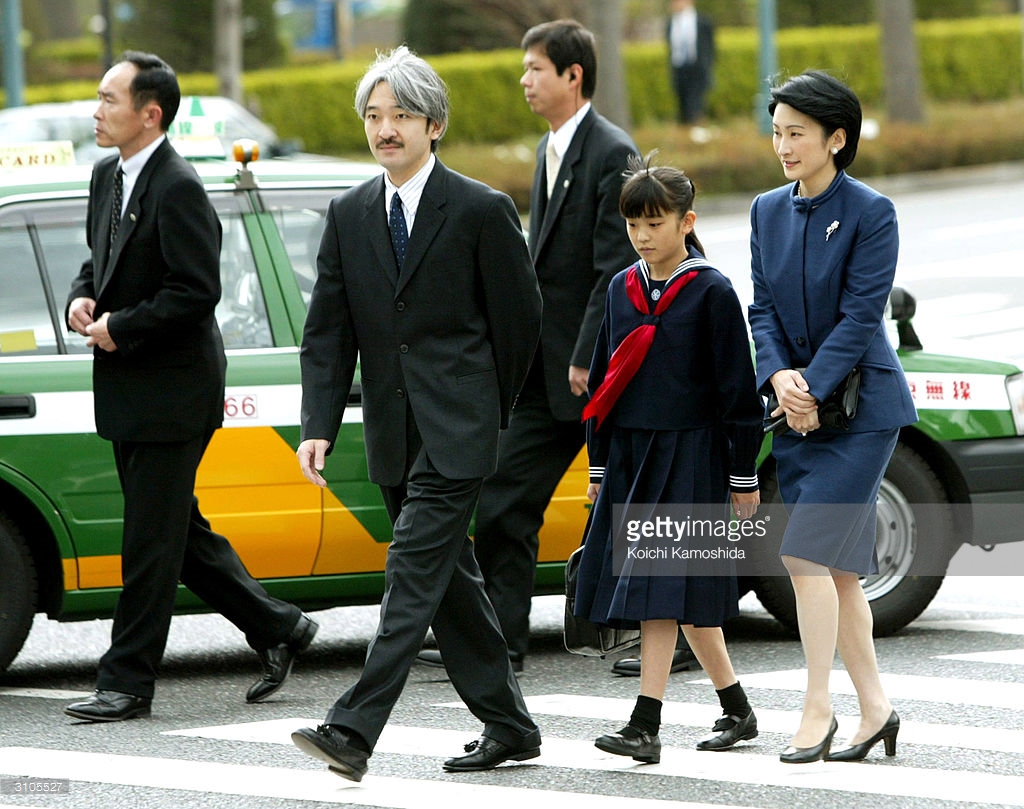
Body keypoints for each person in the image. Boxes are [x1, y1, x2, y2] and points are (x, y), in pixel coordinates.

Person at [290, 46, 543, 782]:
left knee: (408, 570)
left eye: (401, 114)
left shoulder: (479, 209)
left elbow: (520, 323)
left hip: (459, 430)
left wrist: (487, 408)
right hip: (394, 431)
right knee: (451, 587)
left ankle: (353, 728)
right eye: (374, 115)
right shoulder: (350, 212)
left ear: (434, 125)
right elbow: (329, 331)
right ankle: (510, 724)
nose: (385, 128)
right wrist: (319, 424)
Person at [419, 17, 697, 678]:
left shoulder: (611, 151)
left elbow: (615, 267)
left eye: (535, 69)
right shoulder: (552, 148)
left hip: (605, 370)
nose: (524, 80)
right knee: (505, 502)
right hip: (546, 374)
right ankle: (500, 641)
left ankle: (680, 638)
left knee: (641, 504)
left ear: (573, 75)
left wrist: (585, 352)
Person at [64, 51, 316, 723]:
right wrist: (82, 301)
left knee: (149, 541)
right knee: (177, 531)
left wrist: (126, 327)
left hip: (175, 393)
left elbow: (196, 290)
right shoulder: (105, 176)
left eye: (108, 99)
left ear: (150, 114)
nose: (96, 110)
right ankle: (281, 626)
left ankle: (126, 681)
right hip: (127, 387)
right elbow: (99, 260)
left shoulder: (178, 186)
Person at [748, 70, 917, 763]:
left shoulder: (872, 213)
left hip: (862, 410)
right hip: (799, 411)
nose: (783, 145)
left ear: (835, 138)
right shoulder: (765, 210)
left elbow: (859, 317)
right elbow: (761, 308)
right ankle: (875, 709)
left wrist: (810, 386)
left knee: (803, 552)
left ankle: (816, 708)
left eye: (797, 133)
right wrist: (779, 378)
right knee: (839, 572)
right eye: (778, 131)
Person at [575, 153, 763, 763]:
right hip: (632, 454)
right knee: (679, 598)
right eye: (633, 224)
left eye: (655, 223)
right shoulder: (620, 288)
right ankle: (737, 710)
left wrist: (742, 476)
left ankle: (644, 725)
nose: (642, 235)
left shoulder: (711, 290)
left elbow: (738, 392)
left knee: (660, 589)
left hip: (691, 455)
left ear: (687, 222)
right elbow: (606, 382)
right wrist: (599, 467)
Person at [667, 0, 715, 129]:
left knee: (696, 106)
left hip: (697, 69)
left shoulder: (703, 21)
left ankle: (696, 132)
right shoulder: (671, 23)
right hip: (679, 69)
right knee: (682, 107)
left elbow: (711, 48)